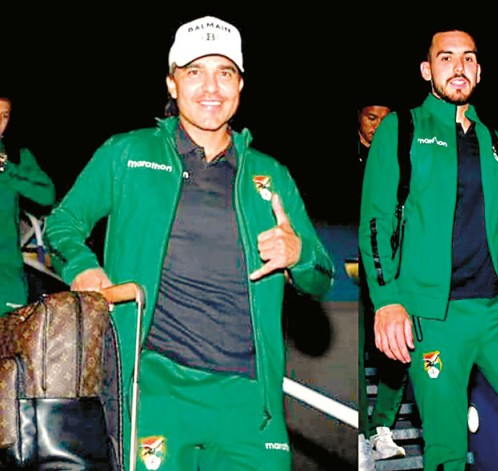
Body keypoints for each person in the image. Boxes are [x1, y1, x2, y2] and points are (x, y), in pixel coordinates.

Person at [44, 15, 333, 471]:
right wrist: (82, 266)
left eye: (225, 72)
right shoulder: (127, 152)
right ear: (172, 83)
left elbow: (321, 278)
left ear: (240, 85)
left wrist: (299, 255)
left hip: (250, 402)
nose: (211, 87)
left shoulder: (271, 173)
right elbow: (63, 223)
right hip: (154, 388)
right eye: (194, 71)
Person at [358, 28, 498, 471]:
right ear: (427, 70)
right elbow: (376, 222)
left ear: (479, 72)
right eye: (446, 58)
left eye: (468, 58)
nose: (458, 67)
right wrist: (387, 301)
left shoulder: (497, 143)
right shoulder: (400, 129)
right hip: (435, 317)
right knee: (446, 450)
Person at [354, 101, 408, 469]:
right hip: (354, 269)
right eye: (372, 118)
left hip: (394, 268)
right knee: (353, 352)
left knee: (398, 344)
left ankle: (382, 429)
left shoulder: (403, 159)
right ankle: (359, 432)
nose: (379, 125)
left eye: (386, 119)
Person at [0, 95, 56, 314]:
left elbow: (46, 195)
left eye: (4, 116)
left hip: (7, 272)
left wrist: (7, 170)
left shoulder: (16, 155)